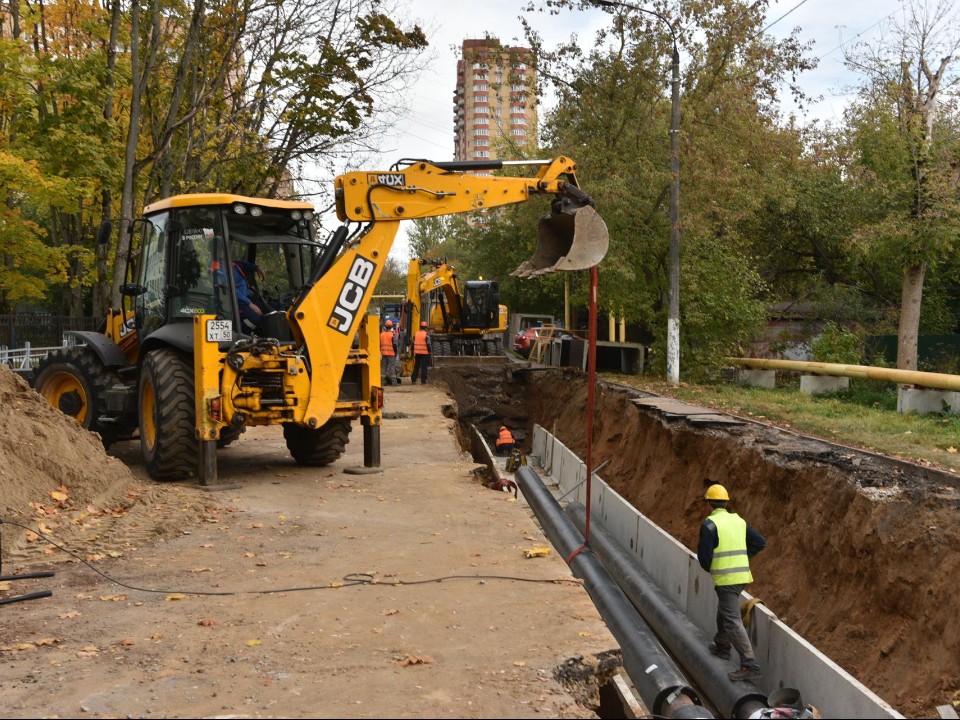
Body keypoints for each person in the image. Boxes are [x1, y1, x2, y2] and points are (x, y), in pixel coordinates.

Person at [697, 482, 767, 683]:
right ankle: (722, 646)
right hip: (741, 577)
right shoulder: (739, 521)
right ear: (726, 504)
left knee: (732, 619)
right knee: (725, 611)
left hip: (727, 579)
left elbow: (704, 558)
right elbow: (760, 542)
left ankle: (750, 664)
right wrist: (742, 558)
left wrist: (718, 566)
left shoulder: (709, 525)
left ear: (708, 504)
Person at [232, 260, 266, 329]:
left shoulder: (233, 264)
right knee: (255, 319)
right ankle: (234, 331)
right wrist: (250, 304)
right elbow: (231, 290)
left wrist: (257, 268)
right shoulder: (220, 268)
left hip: (247, 297)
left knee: (266, 310)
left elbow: (244, 264)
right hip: (238, 300)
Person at [412, 320, 432, 385]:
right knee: (424, 367)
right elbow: (428, 344)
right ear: (426, 327)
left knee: (416, 366)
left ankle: (413, 379)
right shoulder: (426, 335)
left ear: (420, 327)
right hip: (424, 353)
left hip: (417, 352)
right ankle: (423, 380)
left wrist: (413, 350)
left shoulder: (416, 334)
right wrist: (429, 351)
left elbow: (413, 343)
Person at [380, 319, 399, 386]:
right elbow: (395, 345)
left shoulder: (381, 334)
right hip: (391, 353)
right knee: (392, 367)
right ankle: (394, 383)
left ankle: (382, 382)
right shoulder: (392, 335)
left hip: (384, 353)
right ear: (391, 326)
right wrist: (396, 353)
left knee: (383, 367)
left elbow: (380, 344)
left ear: (385, 326)